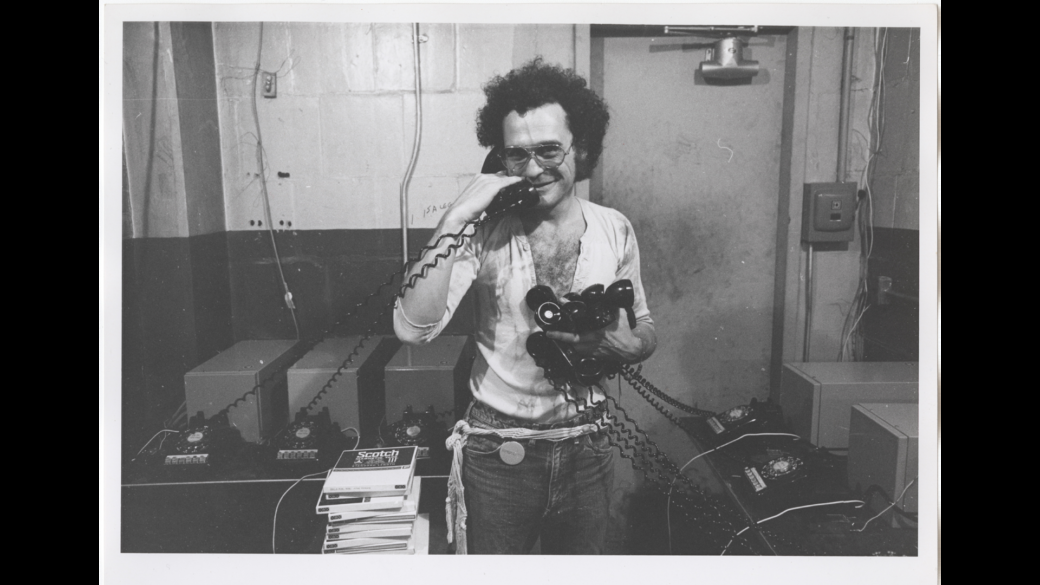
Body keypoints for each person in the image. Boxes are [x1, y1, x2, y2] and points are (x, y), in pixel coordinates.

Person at [393, 58, 656, 554]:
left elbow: (643, 325)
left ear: (581, 147)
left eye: (549, 150)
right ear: (500, 160)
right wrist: (456, 218)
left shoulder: (614, 227)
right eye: (517, 155)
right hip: (499, 451)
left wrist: (631, 346)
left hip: (587, 447)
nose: (534, 169)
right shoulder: (484, 232)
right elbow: (412, 328)